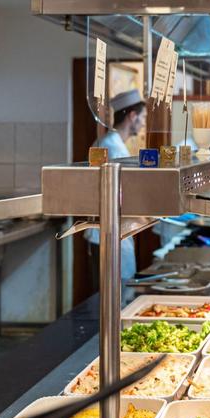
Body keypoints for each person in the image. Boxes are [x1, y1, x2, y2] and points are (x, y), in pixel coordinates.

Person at [85, 89, 147, 292]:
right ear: (132, 116)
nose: (144, 123)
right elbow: (120, 194)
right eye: (143, 117)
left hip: (115, 232)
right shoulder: (112, 147)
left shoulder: (114, 144)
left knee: (117, 293)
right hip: (109, 233)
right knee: (112, 296)